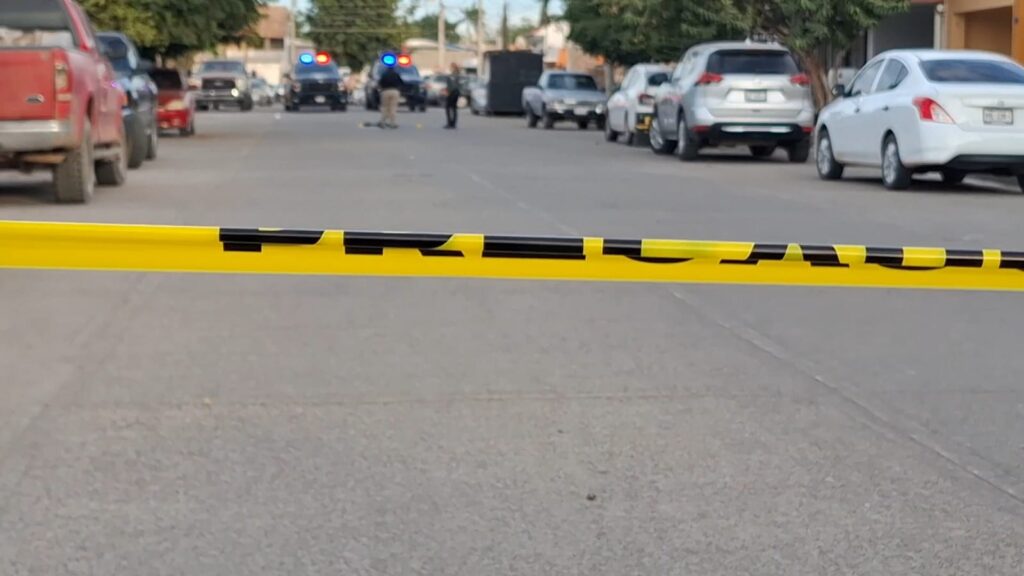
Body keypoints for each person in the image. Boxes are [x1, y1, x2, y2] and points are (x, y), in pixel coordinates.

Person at [444, 63, 461, 129]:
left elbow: (452, 86)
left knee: (448, 107)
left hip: (452, 93)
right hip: (456, 92)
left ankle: (450, 123)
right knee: (454, 108)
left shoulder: (452, 75)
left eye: (451, 67)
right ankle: (453, 123)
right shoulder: (458, 75)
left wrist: (448, 92)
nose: (450, 68)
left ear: (453, 68)